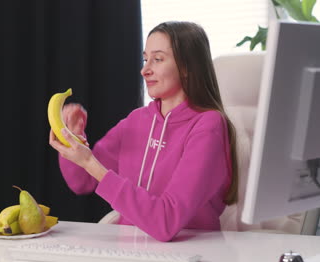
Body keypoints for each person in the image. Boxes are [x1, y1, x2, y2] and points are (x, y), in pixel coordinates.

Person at [49, 21, 238, 242]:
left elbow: (165, 221)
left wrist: (90, 163)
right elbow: (81, 181)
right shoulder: (137, 120)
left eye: (157, 59)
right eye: (145, 59)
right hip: (131, 250)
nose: (145, 70)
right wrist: (75, 139)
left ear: (187, 66)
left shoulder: (208, 126)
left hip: (191, 252)